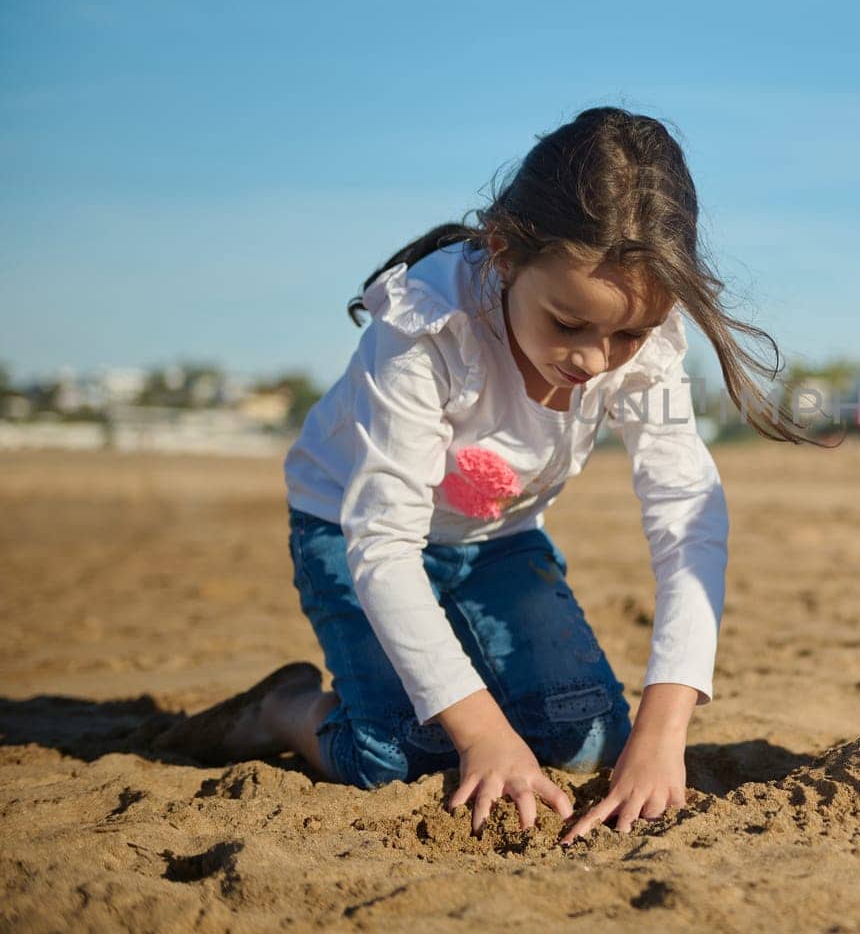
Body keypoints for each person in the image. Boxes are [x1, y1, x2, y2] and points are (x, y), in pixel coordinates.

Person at [158, 107, 812, 841]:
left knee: (590, 740)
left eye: (625, 333)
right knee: (395, 753)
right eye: (568, 324)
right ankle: (285, 705)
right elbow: (382, 545)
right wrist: (482, 735)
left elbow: (688, 515)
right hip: (347, 529)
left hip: (499, 539)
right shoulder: (425, 328)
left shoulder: (648, 335)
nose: (596, 360)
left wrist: (662, 733)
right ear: (503, 253)